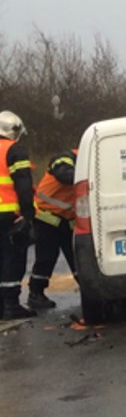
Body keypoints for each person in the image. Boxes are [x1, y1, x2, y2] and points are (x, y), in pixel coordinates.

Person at [26, 148, 77, 310]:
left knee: (77, 256)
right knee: (46, 257)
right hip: (46, 217)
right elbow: (65, 175)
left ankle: (90, 290)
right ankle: (35, 294)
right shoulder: (64, 159)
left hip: (66, 219)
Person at [0, 110, 37, 320]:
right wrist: (28, 213)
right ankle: (11, 304)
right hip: (9, 215)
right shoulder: (14, 150)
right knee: (12, 258)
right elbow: (23, 183)